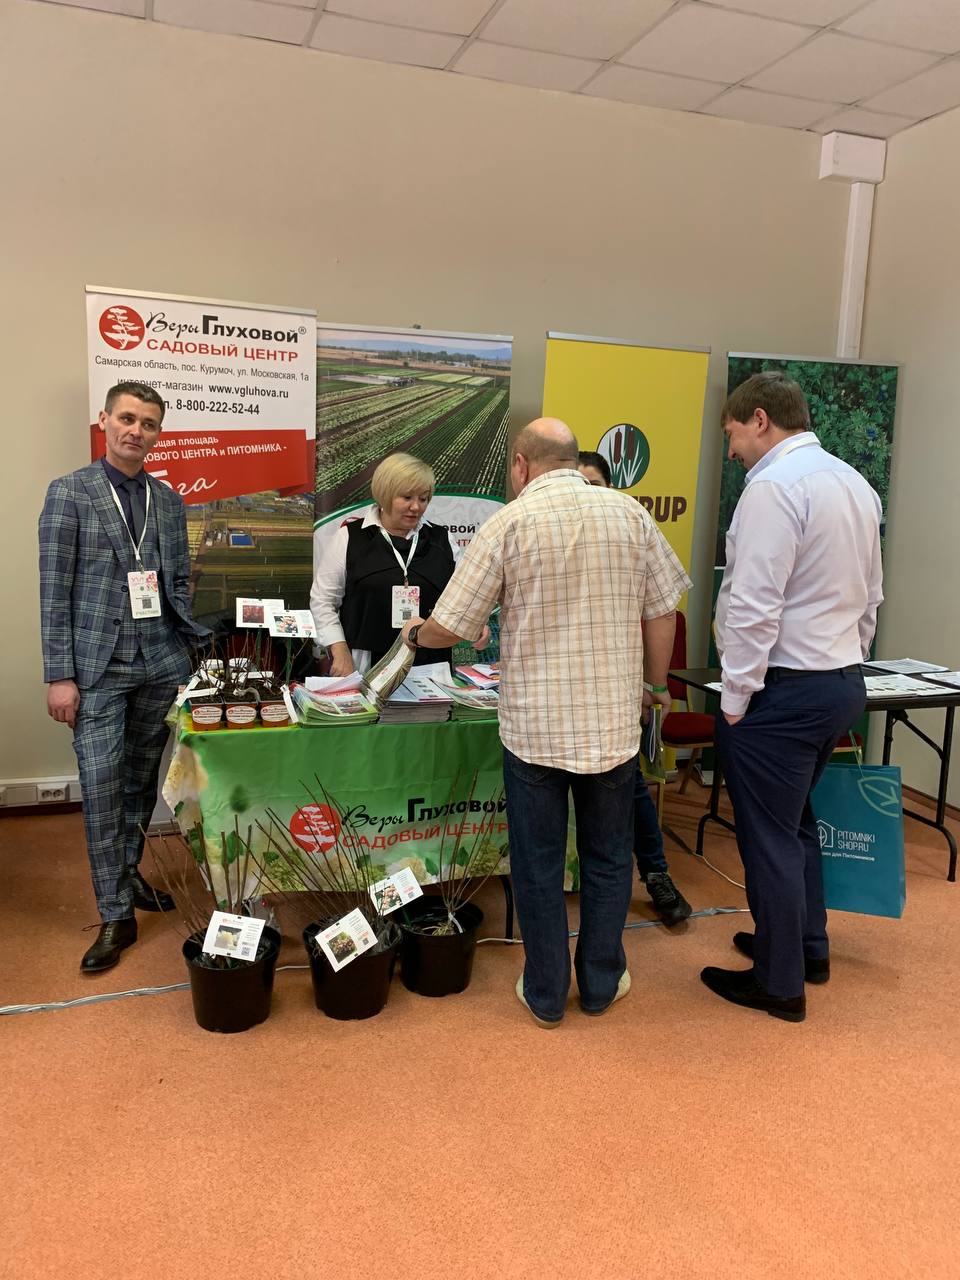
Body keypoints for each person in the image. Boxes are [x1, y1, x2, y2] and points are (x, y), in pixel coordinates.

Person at [401, 418, 690, 1027]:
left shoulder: (509, 523)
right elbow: (664, 610)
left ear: (520, 465)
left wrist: (416, 635)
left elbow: (451, 626)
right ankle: (601, 984)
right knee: (609, 857)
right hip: (612, 727)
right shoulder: (631, 516)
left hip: (535, 728)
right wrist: (655, 686)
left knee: (537, 861)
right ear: (572, 458)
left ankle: (545, 991)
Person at [704, 371, 883, 1023]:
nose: (731, 451)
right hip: (839, 680)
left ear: (759, 419)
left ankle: (779, 983)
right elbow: (872, 596)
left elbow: (754, 604)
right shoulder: (854, 482)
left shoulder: (773, 487)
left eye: (731, 434)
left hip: (783, 690)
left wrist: (736, 698)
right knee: (796, 824)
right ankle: (806, 948)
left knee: (768, 839)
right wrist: (847, 658)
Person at [39, 381, 209, 973]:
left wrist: (186, 646)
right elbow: (53, 590)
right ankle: (115, 913)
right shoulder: (70, 493)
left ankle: (128, 871)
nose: (137, 431)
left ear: (159, 433)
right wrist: (60, 676)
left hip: (160, 662)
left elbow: (178, 579)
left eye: (149, 423)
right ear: (105, 421)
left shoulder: (168, 500)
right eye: (128, 419)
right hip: (97, 669)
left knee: (139, 780)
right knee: (102, 786)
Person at [578, 450, 692, 926]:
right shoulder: (549, 537)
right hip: (560, 700)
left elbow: (659, 615)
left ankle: (657, 873)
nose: (587, 495)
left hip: (618, 694)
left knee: (631, 789)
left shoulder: (632, 536)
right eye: (578, 485)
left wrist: (652, 684)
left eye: (595, 484)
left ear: (611, 489)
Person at [311, 453, 461, 676]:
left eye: (423, 498)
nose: (416, 507)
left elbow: (463, 598)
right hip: (366, 664)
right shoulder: (350, 538)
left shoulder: (442, 540)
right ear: (385, 494)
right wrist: (339, 649)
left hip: (431, 665)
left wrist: (477, 625)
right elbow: (323, 601)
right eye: (407, 497)